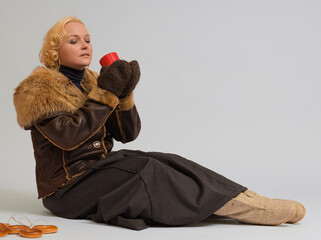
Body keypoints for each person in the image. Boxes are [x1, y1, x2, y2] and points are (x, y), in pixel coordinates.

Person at [13, 16, 305, 230]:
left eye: (88, 39)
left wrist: (124, 95)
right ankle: (254, 210)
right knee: (148, 170)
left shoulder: (92, 82)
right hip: (66, 190)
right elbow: (69, 138)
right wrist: (106, 93)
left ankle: (249, 198)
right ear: (54, 50)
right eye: (73, 40)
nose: (84, 45)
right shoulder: (37, 90)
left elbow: (128, 135)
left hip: (98, 171)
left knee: (168, 160)